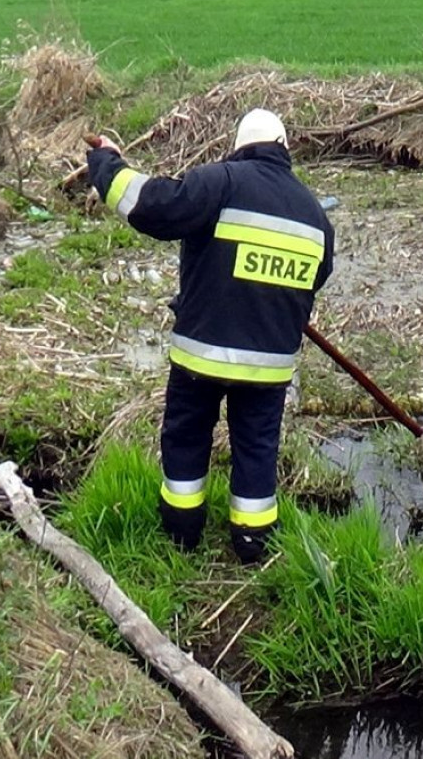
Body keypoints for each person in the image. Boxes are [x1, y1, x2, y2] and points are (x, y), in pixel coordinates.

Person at [86, 109, 334, 563]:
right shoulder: (315, 214)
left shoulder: (220, 181)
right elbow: (313, 280)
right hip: (269, 367)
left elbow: (149, 205)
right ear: (284, 149)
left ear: (240, 147)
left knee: (186, 436)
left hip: (201, 358)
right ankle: (252, 545)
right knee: (257, 449)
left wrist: (106, 164)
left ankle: (182, 536)